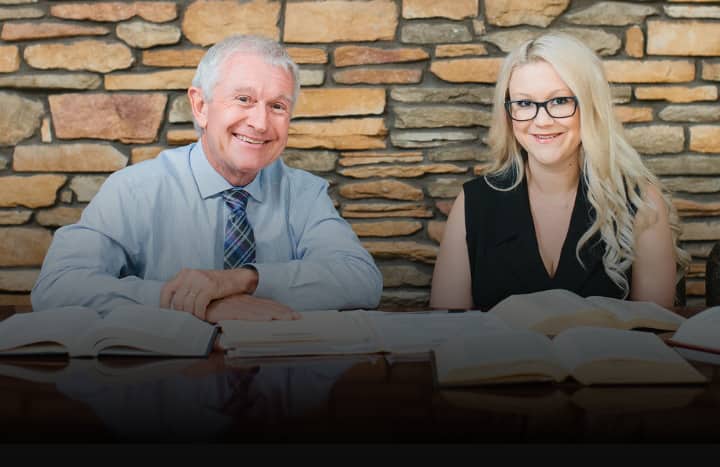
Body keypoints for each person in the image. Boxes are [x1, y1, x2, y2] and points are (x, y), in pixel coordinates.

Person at [32, 35, 382, 321]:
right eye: (243, 99)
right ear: (200, 107)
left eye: (277, 106)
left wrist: (239, 281)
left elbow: (362, 281)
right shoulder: (135, 189)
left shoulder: (304, 193)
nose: (260, 123)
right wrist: (199, 304)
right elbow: (57, 286)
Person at [430, 32, 689, 311]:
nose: (542, 121)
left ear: (590, 107)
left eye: (560, 101)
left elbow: (657, 332)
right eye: (525, 103)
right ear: (508, 113)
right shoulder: (474, 203)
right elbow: (448, 326)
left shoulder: (642, 203)